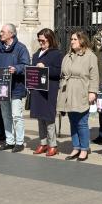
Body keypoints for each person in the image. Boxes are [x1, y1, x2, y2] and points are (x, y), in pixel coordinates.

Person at [57, 31, 99, 161]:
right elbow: (63, 73)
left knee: (82, 122)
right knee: (72, 122)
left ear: (82, 40)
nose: (72, 41)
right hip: (67, 92)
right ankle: (76, 147)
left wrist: (93, 91)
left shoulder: (90, 56)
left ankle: (84, 148)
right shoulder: (67, 56)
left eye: (75, 39)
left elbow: (94, 76)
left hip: (81, 90)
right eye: (71, 39)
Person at [0, 23, 30, 153]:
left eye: (3, 32)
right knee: (5, 115)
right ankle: (9, 141)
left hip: (16, 87)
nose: (0, 34)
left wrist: (16, 68)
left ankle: (19, 142)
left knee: (16, 116)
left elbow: (26, 65)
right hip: (2, 88)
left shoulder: (20, 48)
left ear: (11, 34)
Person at [30, 28, 63, 156]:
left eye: (43, 40)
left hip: (50, 90)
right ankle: (43, 143)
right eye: (39, 40)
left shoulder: (56, 54)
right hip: (38, 89)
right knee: (40, 117)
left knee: (49, 118)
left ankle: (53, 145)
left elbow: (58, 72)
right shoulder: (35, 54)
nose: (41, 43)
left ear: (50, 39)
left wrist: (45, 68)